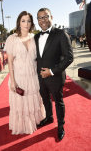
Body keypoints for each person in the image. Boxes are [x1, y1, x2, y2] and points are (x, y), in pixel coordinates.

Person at [34, 8, 73, 140]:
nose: (42, 20)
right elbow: (39, 57)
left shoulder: (61, 34)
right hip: (41, 78)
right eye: (39, 18)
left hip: (55, 76)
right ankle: (49, 118)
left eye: (45, 17)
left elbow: (69, 57)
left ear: (51, 17)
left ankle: (61, 125)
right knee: (45, 100)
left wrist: (51, 71)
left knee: (58, 102)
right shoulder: (36, 37)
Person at [4, 11, 45, 135]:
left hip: (32, 76)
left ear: (31, 23)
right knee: (21, 103)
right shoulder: (12, 39)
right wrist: (13, 81)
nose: (26, 23)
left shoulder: (35, 38)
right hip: (19, 77)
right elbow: (10, 61)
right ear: (19, 22)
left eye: (28, 21)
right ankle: (23, 125)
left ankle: (34, 121)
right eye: (23, 20)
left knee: (33, 99)